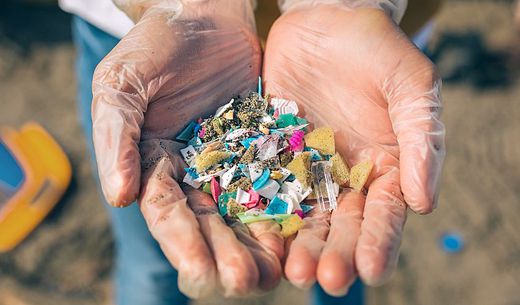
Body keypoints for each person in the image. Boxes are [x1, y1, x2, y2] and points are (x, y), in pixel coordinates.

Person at [59, 0, 446, 304]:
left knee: (340, 263)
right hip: (156, 38)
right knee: (152, 263)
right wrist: (190, 6)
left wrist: (346, 3)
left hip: (360, 51)